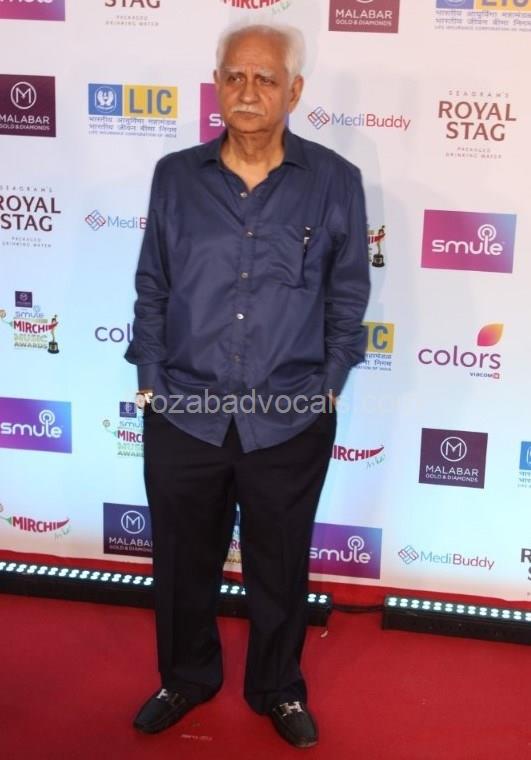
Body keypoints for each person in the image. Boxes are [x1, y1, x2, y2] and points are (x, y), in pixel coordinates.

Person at [125, 22, 370, 749]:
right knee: (181, 565)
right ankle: (184, 678)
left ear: (295, 90)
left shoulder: (334, 181)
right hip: (183, 412)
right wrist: (150, 382)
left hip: (289, 416)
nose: (248, 91)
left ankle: (277, 688)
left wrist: (327, 384)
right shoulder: (176, 176)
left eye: (266, 78)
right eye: (234, 76)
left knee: (279, 566)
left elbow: (347, 294)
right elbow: (152, 286)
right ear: (216, 85)